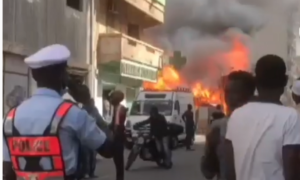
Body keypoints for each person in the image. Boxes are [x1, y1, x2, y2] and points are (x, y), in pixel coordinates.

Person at [2, 44, 114, 180]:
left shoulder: (10, 118)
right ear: (63, 76)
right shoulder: (73, 114)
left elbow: (7, 172)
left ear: (34, 76)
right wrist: (88, 106)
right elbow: (108, 149)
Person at [225, 54, 300, 180]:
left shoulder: (236, 116)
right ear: (285, 81)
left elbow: (228, 167)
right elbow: (292, 169)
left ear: (255, 81)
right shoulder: (290, 116)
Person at [201, 70, 256, 180]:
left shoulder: (265, 124)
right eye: (227, 92)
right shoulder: (219, 127)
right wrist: (212, 147)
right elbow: (208, 172)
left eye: (235, 92)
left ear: (249, 95)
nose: (229, 97)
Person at [109, 90, 127, 180]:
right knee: (118, 161)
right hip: (119, 136)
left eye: (111, 98)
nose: (110, 100)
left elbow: (117, 125)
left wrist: (112, 136)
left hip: (118, 137)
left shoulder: (119, 109)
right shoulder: (118, 108)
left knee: (118, 160)